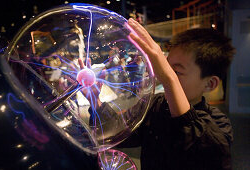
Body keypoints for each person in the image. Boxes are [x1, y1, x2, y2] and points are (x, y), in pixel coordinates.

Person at [82, 18, 235, 169]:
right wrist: (96, 102)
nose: (162, 75)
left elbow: (203, 152)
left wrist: (169, 79)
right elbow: (118, 133)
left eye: (176, 72)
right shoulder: (157, 105)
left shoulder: (219, 124)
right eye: (165, 67)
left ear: (210, 84)